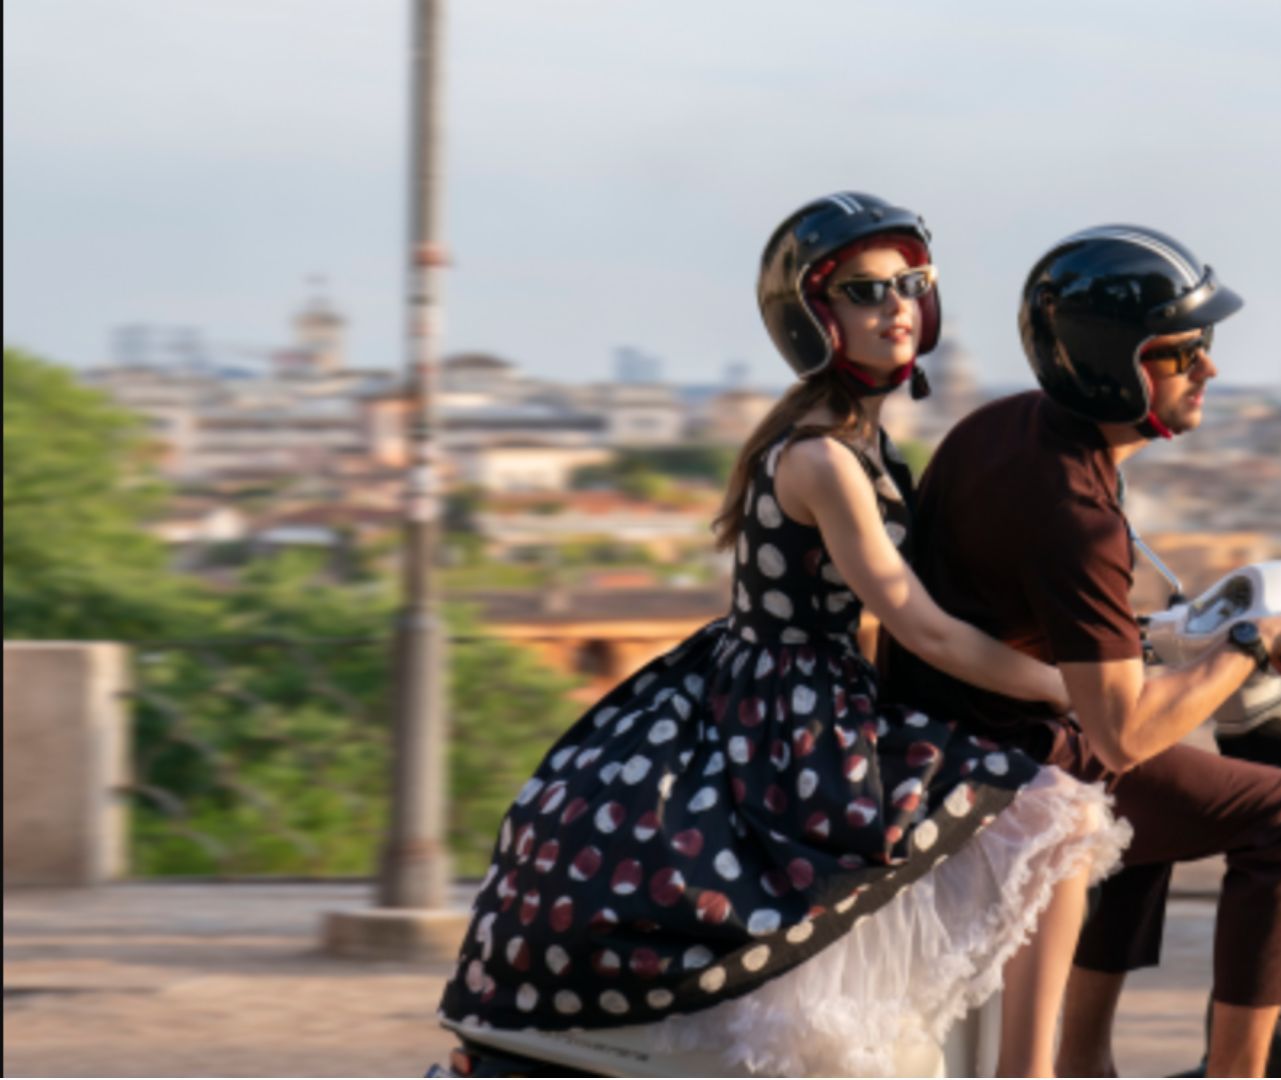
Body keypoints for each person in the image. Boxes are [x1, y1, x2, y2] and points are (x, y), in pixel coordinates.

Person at [437, 192, 1129, 1077]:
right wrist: (1077, 687)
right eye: (866, 292)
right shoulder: (823, 459)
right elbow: (926, 629)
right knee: (1053, 810)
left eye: (912, 285)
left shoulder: (852, 443)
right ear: (814, 317)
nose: (898, 309)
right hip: (798, 714)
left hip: (778, 691)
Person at [883, 225, 1281, 1078]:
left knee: (1151, 802)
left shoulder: (1005, 428)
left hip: (942, 729)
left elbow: (1037, 616)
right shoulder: (1078, 514)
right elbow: (1123, 731)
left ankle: (1086, 1056)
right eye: (1181, 352)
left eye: (1204, 345)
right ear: (1110, 364)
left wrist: (1173, 640)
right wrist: (1249, 644)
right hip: (1003, 756)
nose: (1209, 367)